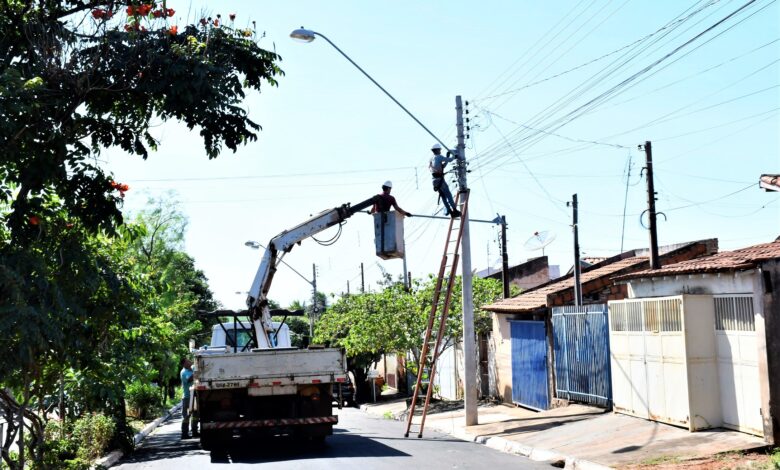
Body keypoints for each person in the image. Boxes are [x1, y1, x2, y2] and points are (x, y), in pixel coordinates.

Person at [429, 143, 461, 218]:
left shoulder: (432, 158)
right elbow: (451, 160)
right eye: (439, 150)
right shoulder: (439, 157)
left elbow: (443, 166)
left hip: (434, 181)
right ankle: (454, 210)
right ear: (437, 150)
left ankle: (450, 212)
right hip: (440, 180)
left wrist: (447, 156)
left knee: (443, 196)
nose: (440, 151)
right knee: (448, 195)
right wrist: (454, 156)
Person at [180, 357, 199, 439]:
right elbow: (189, 379)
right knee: (187, 415)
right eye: (188, 361)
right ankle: (184, 433)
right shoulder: (184, 372)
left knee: (195, 414)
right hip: (188, 397)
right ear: (184, 364)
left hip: (194, 395)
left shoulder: (193, 368)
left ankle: (194, 431)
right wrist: (197, 372)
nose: (190, 361)